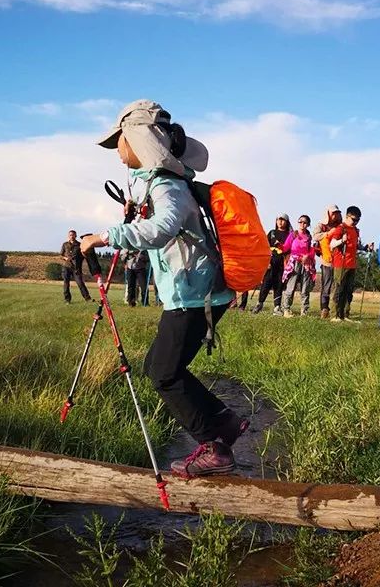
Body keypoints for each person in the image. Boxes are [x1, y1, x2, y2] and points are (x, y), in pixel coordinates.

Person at [81, 99, 248, 478]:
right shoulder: (163, 183)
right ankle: (224, 424)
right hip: (195, 293)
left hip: (194, 296)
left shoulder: (168, 185)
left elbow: (162, 228)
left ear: (139, 142)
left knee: (163, 374)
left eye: (120, 141)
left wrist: (105, 236)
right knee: (160, 367)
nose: (118, 151)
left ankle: (216, 448)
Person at [328, 206, 371, 322]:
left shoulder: (356, 230)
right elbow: (331, 244)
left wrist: (366, 248)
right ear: (347, 216)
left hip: (352, 264)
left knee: (348, 291)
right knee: (338, 289)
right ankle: (334, 315)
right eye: (354, 219)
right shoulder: (340, 228)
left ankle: (345, 314)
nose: (356, 222)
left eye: (358, 220)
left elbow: (356, 246)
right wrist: (342, 240)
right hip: (340, 263)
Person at [252, 214, 291, 315]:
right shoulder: (272, 233)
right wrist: (266, 261)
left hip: (282, 263)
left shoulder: (289, 234)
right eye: (278, 219)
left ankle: (277, 307)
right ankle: (259, 304)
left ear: (287, 222)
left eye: (282, 220)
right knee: (266, 283)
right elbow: (264, 246)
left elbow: (290, 250)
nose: (280, 222)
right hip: (270, 261)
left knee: (278, 285)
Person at [281, 215, 317, 317]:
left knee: (305, 289)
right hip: (294, 263)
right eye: (300, 222)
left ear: (308, 225)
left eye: (305, 222)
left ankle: (304, 311)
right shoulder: (293, 235)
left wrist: (307, 256)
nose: (302, 224)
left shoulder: (309, 237)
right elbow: (285, 248)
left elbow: (312, 250)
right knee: (291, 287)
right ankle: (286, 310)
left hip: (306, 264)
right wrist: (277, 245)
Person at [313, 205, 343, 319]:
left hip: (339, 260)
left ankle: (337, 309)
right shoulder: (321, 226)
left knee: (338, 286)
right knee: (326, 286)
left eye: (337, 213)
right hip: (326, 260)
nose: (335, 215)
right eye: (333, 213)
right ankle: (324, 309)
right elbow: (315, 236)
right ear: (328, 214)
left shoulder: (341, 226)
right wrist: (328, 233)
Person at [60, 229, 91, 304]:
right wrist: (65, 258)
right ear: (68, 236)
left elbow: (84, 255)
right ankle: (67, 300)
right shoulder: (65, 244)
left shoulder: (80, 245)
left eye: (73, 235)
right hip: (66, 267)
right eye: (70, 235)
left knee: (80, 283)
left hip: (76, 268)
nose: (72, 236)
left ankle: (88, 299)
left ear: (76, 236)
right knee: (66, 284)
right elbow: (61, 255)